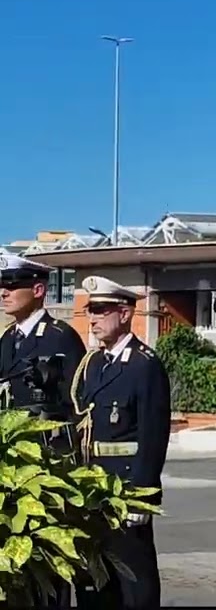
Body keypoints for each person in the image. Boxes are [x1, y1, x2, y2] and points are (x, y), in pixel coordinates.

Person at [71, 276, 170, 610]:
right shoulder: (94, 364)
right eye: (90, 310)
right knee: (96, 580)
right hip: (92, 487)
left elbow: (153, 436)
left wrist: (142, 496)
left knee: (134, 580)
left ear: (125, 314)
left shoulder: (144, 365)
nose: (93, 318)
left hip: (125, 487)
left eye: (101, 309)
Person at [0, 255, 84, 607]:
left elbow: (76, 406)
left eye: (12, 286)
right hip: (11, 467)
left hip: (47, 463)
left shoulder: (60, 338)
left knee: (49, 561)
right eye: (1, 286)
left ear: (37, 290)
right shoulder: (8, 339)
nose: (3, 293)